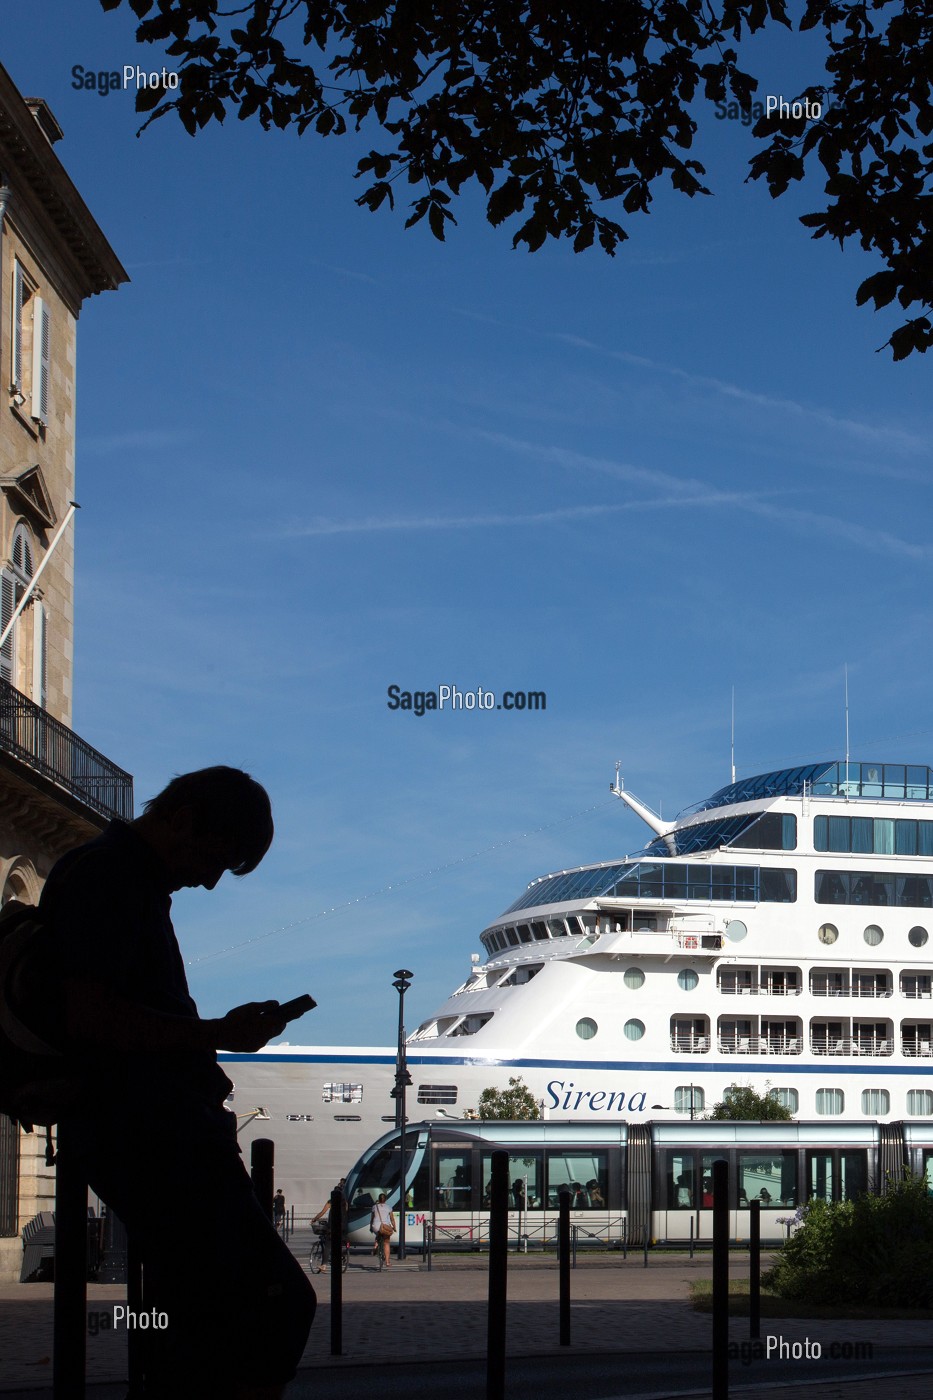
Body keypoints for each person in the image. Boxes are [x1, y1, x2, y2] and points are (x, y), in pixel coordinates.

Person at [38, 767, 316, 1400]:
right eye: (218, 857)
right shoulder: (111, 878)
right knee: (273, 1304)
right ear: (186, 818)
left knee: (195, 1321)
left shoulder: (116, 877)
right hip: (157, 1140)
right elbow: (92, 1016)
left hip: (151, 1136)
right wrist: (219, 1032)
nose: (212, 879)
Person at [370, 1192, 395, 1268]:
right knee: (386, 1242)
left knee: (378, 1233)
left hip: (376, 1226)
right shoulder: (388, 1207)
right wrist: (394, 1227)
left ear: (379, 1199)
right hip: (385, 1226)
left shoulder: (374, 1207)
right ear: (385, 1200)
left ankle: (376, 1245)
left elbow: (372, 1218)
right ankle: (387, 1262)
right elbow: (392, 1219)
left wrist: (371, 1227)